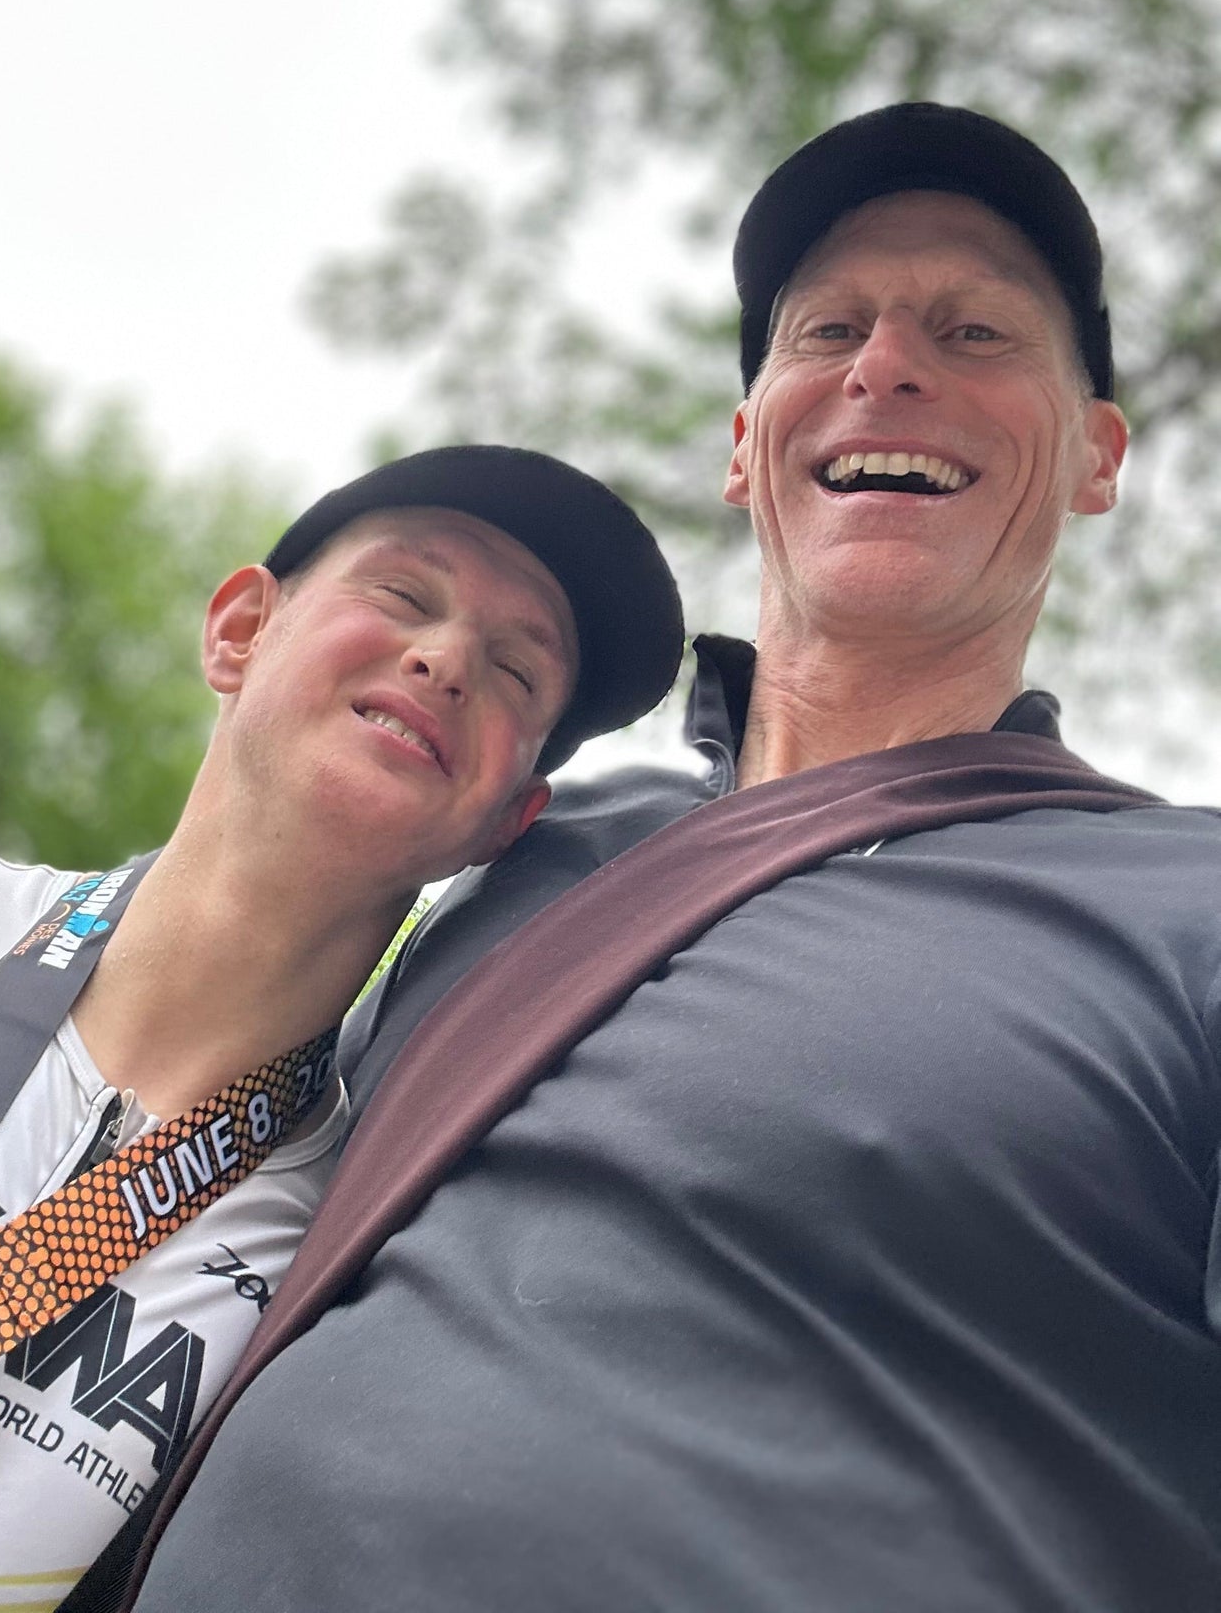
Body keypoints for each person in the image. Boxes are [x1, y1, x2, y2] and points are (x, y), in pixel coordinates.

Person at [103, 103, 1221, 1613]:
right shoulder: (528, 845)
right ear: (746, 446)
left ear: (1098, 459)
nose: (888, 364)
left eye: (976, 334)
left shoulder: (1183, 911)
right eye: (828, 329)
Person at [0, 444, 686, 1613]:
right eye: (401, 594)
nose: (444, 660)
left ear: (507, 819)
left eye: (519, 673)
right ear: (239, 630)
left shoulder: (352, 1246)